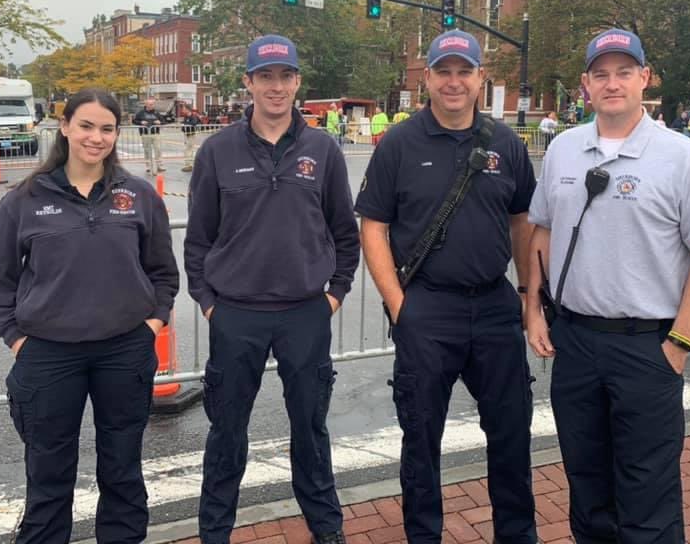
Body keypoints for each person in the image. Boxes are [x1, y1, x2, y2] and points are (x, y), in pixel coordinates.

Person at [524, 28, 690, 544]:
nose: (611, 83)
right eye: (601, 74)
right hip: (575, 344)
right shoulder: (565, 150)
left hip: (647, 347)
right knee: (587, 485)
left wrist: (679, 343)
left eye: (623, 72)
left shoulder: (684, 158)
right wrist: (533, 307)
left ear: (645, 78)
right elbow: (543, 230)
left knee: (648, 494)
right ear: (585, 85)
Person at [357, 29, 539, 544]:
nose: (454, 82)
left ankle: (517, 534)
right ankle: (424, 535)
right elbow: (373, 225)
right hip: (428, 309)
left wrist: (529, 297)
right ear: (428, 80)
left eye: (465, 71)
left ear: (481, 78)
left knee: (510, 435)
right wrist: (399, 305)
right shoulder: (399, 143)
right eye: (444, 72)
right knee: (421, 438)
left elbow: (523, 220)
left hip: (494, 307)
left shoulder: (505, 143)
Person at [0, 89, 179, 544]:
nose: (96, 137)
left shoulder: (139, 195)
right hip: (48, 355)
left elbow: (163, 272)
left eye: (106, 128)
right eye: (86, 126)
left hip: (123, 350)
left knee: (123, 469)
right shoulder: (23, 200)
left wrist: (152, 323)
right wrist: (15, 338)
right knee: (49, 478)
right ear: (65, 126)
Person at [184, 34, 359, 544]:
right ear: (249, 83)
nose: (276, 87)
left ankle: (327, 529)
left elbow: (343, 232)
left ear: (298, 82)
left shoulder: (323, 149)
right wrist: (210, 303)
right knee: (227, 434)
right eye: (265, 77)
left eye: (285, 77)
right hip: (235, 314)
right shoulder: (218, 151)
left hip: (306, 313)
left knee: (310, 429)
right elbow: (199, 238)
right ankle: (214, 532)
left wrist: (335, 293)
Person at [133, 98, 164, 173]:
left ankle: (159, 165)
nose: (152, 106)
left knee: (158, 149)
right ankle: (148, 166)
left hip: (155, 133)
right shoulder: (140, 113)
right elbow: (134, 121)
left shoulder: (156, 113)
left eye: (153, 104)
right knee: (147, 150)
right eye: (150, 104)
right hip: (145, 134)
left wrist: (160, 122)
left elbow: (163, 121)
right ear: (146, 104)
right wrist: (141, 122)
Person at [181, 105, 202, 172]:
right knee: (187, 150)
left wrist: (185, 124)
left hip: (191, 135)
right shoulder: (186, 117)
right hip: (186, 134)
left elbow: (194, 123)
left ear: (188, 109)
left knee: (189, 150)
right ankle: (188, 164)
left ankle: (189, 165)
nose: (183, 110)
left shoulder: (193, 116)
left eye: (184, 109)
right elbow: (184, 123)